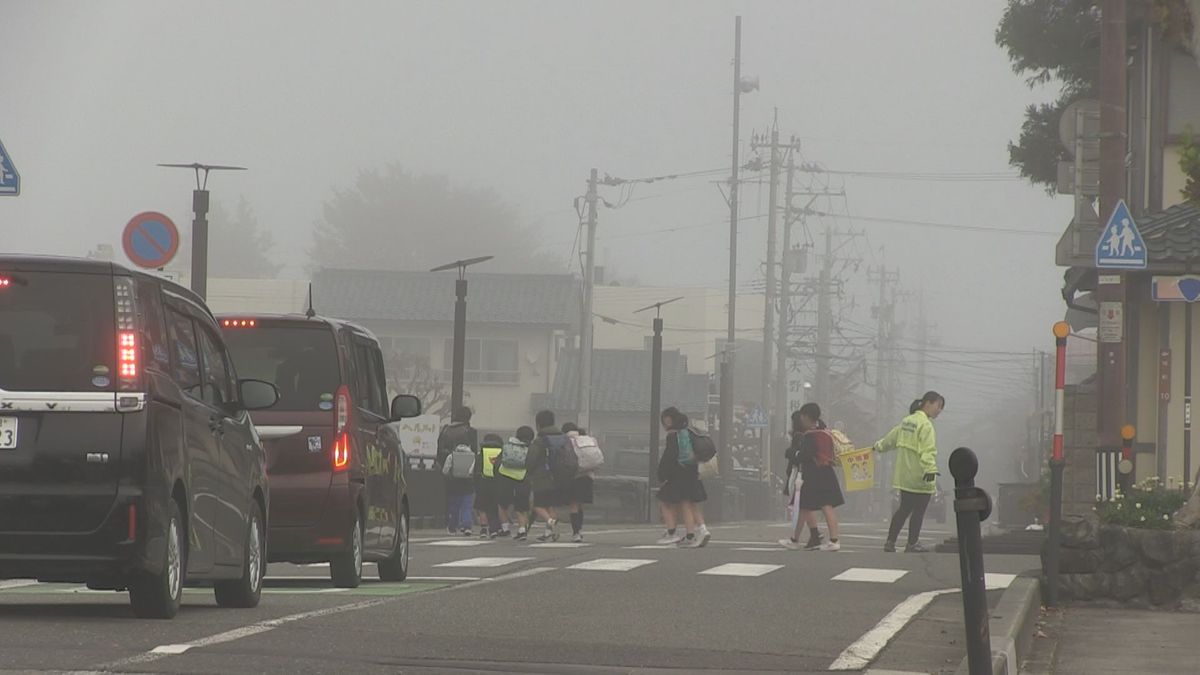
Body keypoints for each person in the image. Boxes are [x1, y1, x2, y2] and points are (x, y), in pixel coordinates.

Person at [875, 391, 945, 553]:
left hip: (904, 477)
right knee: (919, 511)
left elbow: (889, 440)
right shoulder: (926, 425)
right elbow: (928, 451)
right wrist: (931, 470)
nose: (939, 410)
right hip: (921, 477)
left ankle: (890, 541)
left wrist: (877, 446)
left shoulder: (906, 422)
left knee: (903, 509)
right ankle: (912, 543)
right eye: (938, 405)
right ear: (928, 402)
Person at [778, 403, 843, 551]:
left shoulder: (811, 435)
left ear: (806, 417)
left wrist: (792, 453)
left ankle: (833, 541)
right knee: (805, 507)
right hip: (825, 472)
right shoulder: (823, 431)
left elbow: (806, 455)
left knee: (823, 506)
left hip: (815, 475)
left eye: (802, 416)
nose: (800, 420)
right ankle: (795, 539)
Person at [656, 407, 711, 548]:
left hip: (677, 475)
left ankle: (672, 533)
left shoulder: (673, 436)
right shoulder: (688, 433)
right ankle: (698, 531)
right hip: (692, 472)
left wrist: (662, 474)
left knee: (665, 502)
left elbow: (669, 457)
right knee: (689, 504)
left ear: (668, 420)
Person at [526, 410, 569, 542]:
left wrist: (528, 471)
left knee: (538, 505)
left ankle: (550, 522)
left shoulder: (540, 441)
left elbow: (530, 460)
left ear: (538, 424)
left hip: (542, 478)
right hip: (558, 478)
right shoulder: (563, 439)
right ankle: (548, 533)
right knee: (549, 506)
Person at [436, 406, 477, 536]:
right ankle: (466, 525)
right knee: (467, 500)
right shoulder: (471, 431)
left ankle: (452, 526)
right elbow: (474, 451)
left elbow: (439, 451)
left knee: (453, 500)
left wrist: (447, 466)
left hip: (451, 471)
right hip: (467, 471)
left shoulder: (445, 430)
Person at [499, 426, 535, 540]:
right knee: (521, 507)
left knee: (502, 504)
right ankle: (522, 530)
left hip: (505, 476)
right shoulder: (530, 448)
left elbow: (500, 460)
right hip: (523, 477)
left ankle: (505, 528)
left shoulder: (507, 445)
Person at [561, 422, 594, 543]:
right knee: (580, 505)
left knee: (573, 505)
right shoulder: (586, 439)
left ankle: (575, 533)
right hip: (588, 476)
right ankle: (579, 529)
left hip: (574, 476)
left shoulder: (566, 440)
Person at [476, 433, 508, 538]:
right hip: (498, 483)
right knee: (494, 507)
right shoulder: (502, 452)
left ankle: (484, 529)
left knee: (482, 507)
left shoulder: (482, 452)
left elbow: (476, 468)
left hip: (483, 482)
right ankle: (494, 529)